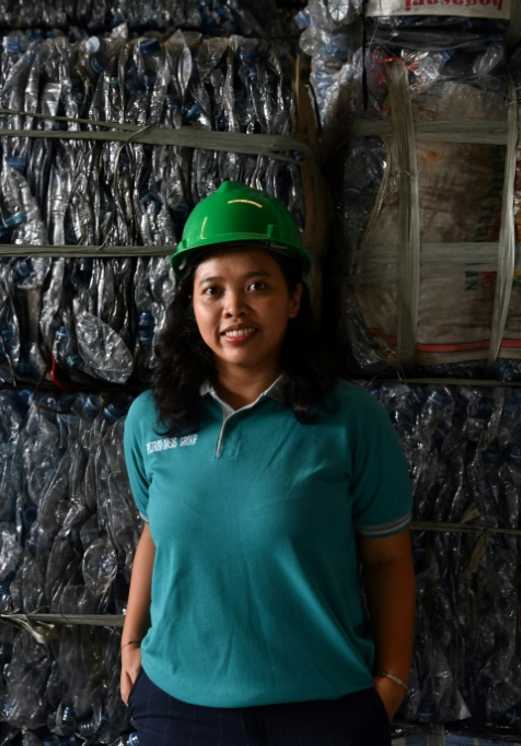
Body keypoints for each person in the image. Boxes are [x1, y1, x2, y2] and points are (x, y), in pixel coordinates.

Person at [119, 181, 415, 745]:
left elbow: (388, 559)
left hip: (321, 710)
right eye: (212, 290)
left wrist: (391, 684)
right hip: (179, 708)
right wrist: (131, 641)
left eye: (258, 285)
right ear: (192, 305)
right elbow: (156, 531)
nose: (234, 307)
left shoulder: (351, 421)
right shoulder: (150, 421)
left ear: (294, 299)